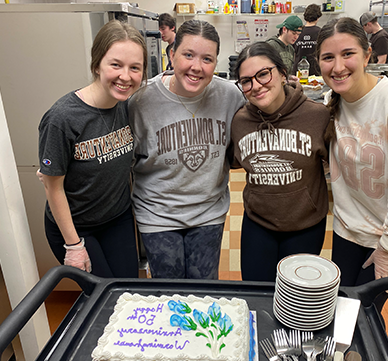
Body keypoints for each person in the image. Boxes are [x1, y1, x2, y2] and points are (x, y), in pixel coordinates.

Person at [316, 17, 388, 311]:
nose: (338, 66)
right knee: (341, 307)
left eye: (348, 54)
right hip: (350, 228)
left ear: (367, 54)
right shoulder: (333, 101)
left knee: (364, 315)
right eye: (328, 57)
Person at [128, 20, 246, 279]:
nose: (196, 67)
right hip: (157, 214)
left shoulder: (230, 96)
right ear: (172, 54)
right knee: (168, 294)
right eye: (188, 55)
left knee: (204, 292)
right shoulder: (141, 100)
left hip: (208, 213)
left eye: (207, 59)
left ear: (216, 63)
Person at [38, 20, 147, 278]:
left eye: (135, 68)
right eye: (116, 64)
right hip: (76, 227)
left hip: (117, 218)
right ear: (97, 64)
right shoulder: (62, 118)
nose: (125, 76)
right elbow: (52, 187)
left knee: (127, 289)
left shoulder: (127, 106)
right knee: (101, 297)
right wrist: (74, 246)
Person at [230, 41, 330, 282]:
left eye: (263, 74)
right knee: (256, 294)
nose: (256, 86)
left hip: (305, 224)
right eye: (246, 81)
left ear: (283, 73)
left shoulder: (317, 116)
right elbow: (233, 162)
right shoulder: (240, 122)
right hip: (258, 223)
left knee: (296, 298)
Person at [294, 3, 322, 76]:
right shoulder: (321, 32)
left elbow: (293, 53)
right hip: (316, 71)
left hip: (298, 71)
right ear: (318, 17)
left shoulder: (297, 32)